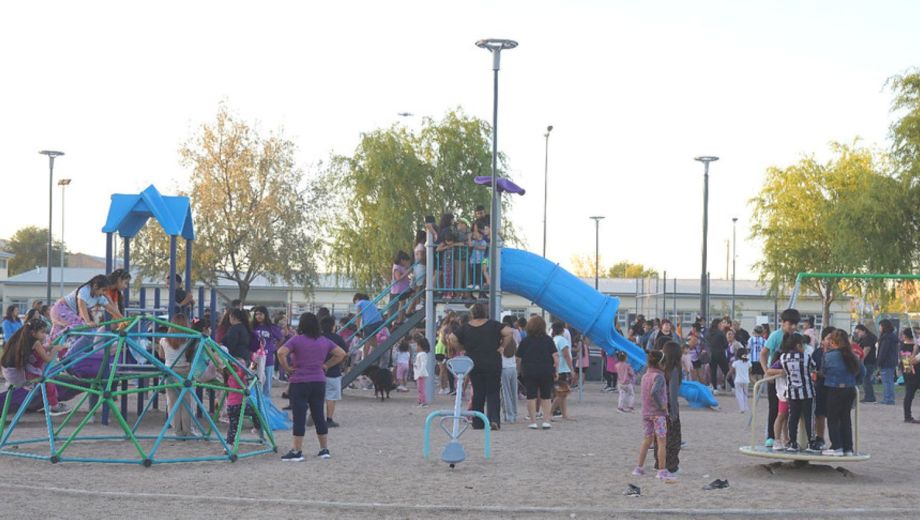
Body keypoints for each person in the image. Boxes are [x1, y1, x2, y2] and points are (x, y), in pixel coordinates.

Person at [275, 312, 346, 461]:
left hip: (300, 381)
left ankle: (297, 451)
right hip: (319, 381)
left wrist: (287, 368)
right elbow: (341, 353)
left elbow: (281, 352)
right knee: (319, 415)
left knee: (299, 416)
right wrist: (326, 365)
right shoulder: (324, 341)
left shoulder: (296, 340)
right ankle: (324, 449)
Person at [449, 303, 513, 430]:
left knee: (478, 392)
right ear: (485, 313)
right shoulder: (494, 325)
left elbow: (451, 337)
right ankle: (493, 420)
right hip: (493, 362)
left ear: (472, 314)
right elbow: (509, 332)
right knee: (493, 392)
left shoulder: (465, 328)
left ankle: (477, 422)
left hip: (474, 363)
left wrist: (461, 349)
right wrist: (502, 347)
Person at [0, 319, 69, 415]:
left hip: (9, 374)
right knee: (48, 381)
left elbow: (42, 349)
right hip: (19, 376)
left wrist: (50, 347)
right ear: (33, 333)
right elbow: (48, 359)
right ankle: (54, 406)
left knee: (43, 370)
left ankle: (49, 402)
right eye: (42, 332)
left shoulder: (22, 339)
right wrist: (55, 349)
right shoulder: (35, 343)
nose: (44, 335)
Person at [822, 330, 866, 456]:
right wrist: (854, 381)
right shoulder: (853, 355)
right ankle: (848, 448)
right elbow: (862, 371)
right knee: (845, 418)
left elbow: (824, 371)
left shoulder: (829, 355)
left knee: (833, 418)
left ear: (832, 342)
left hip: (834, 388)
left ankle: (836, 446)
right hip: (850, 389)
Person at [760, 308, 800, 448]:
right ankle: (771, 436)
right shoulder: (775, 336)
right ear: (783, 323)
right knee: (774, 408)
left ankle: (788, 437)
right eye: (790, 324)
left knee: (789, 410)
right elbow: (763, 353)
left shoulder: (797, 336)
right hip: (775, 375)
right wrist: (766, 371)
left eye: (795, 324)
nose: (793, 327)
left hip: (791, 378)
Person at [632, 350, 674, 480]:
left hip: (646, 413)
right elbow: (654, 392)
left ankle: (639, 467)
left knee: (647, 439)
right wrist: (662, 405)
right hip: (658, 414)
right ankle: (662, 470)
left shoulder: (645, 376)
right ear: (661, 364)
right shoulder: (659, 376)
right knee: (661, 441)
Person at [49, 275, 123, 341]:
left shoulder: (99, 297)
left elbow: (112, 310)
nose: (104, 293)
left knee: (54, 339)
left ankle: (54, 347)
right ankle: (66, 336)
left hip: (68, 313)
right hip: (60, 309)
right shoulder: (84, 291)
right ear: (95, 286)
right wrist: (88, 321)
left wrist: (122, 319)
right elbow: (82, 307)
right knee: (83, 327)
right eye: (103, 290)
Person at [779, 334, 820, 452]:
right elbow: (813, 367)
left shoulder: (783, 357)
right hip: (807, 392)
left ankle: (792, 442)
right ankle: (811, 442)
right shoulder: (806, 357)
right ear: (798, 345)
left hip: (792, 392)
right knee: (809, 418)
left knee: (793, 418)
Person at [515, 315, 558, 430]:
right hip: (546, 370)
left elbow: (518, 358)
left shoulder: (525, 341)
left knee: (531, 396)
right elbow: (555, 356)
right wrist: (556, 370)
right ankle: (546, 420)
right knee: (546, 396)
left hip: (529, 371)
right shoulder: (549, 340)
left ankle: (533, 421)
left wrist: (519, 370)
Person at [156, 313, 195, 437]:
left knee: (173, 403)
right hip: (185, 372)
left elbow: (161, 356)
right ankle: (188, 430)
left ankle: (177, 431)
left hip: (169, 372)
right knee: (186, 403)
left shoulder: (163, 340)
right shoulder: (189, 339)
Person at [319, 315, 348, 428]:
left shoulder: (317, 338)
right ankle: (329, 419)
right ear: (333, 326)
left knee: (317, 396)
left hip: (317, 372)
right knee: (331, 397)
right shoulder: (338, 338)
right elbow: (345, 354)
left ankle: (316, 416)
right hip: (333, 372)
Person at [659, 341, 682, 474]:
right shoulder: (674, 369)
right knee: (673, 438)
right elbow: (673, 393)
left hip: (659, 405)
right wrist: (674, 412)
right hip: (669, 405)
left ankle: (659, 463)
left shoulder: (661, 367)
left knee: (661, 437)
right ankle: (672, 466)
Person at [251, 306, 284, 397]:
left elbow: (281, 338)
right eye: (256, 314)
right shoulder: (252, 327)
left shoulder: (271, 327)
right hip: (254, 361)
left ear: (265, 314)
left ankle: (266, 408)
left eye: (260, 314)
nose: (258, 316)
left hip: (268, 360)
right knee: (255, 384)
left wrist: (274, 349)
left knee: (266, 387)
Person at [812, 326, 835, 448]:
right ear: (822, 340)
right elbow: (814, 370)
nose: (831, 342)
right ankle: (819, 437)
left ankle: (835, 440)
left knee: (834, 415)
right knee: (819, 414)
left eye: (834, 339)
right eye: (829, 339)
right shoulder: (817, 353)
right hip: (821, 386)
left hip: (835, 387)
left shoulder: (839, 353)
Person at [551, 321, 574, 420]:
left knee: (563, 393)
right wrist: (572, 369)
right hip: (563, 369)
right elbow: (566, 355)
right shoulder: (563, 340)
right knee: (562, 393)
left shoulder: (554, 339)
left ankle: (564, 414)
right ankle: (550, 412)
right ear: (563, 329)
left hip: (557, 369)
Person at [876, 319, 899, 406]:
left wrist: (879, 362)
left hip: (886, 362)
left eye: (880, 326)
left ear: (884, 327)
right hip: (891, 361)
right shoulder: (892, 336)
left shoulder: (886, 337)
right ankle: (889, 398)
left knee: (886, 381)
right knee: (889, 381)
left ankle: (888, 398)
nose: (879, 328)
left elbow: (883, 351)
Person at [900, 327, 920, 423]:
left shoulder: (916, 346)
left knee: (909, 395)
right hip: (911, 375)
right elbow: (907, 364)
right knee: (909, 395)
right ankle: (907, 416)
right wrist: (915, 350)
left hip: (914, 374)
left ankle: (908, 416)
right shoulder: (906, 347)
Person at [853, 324, 878, 403]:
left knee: (866, 379)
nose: (858, 334)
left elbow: (866, 349)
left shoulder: (868, 338)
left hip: (868, 361)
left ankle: (870, 397)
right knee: (866, 379)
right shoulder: (864, 338)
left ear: (863, 331)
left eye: (859, 332)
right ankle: (869, 396)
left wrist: (860, 359)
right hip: (868, 361)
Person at [705, 318, 730, 393]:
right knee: (726, 370)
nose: (722, 325)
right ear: (718, 324)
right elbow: (726, 345)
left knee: (713, 371)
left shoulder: (708, 333)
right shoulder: (720, 333)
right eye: (721, 323)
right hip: (720, 353)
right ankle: (732, 386)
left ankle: (714, 388)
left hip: (711, 354)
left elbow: (706, 342)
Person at [729, 347, 751, 413]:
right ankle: (746, 407)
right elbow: (750, 370)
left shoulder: (735, 363)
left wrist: (727, 376)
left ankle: (742, 408)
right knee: (745, 394)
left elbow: (731, 371)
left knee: (739, 395)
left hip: (738, 380)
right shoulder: (748, 363)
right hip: (746, 380)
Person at [413, 335, 431, 406]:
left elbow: (423, 364)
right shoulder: (420, 354)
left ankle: (423, 401)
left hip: (421, 374)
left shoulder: (422, 354)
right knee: (419, 388)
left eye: (417, 345)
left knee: (421, 389)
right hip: (419, 373)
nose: (416, 347)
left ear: (420, 346)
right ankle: (420, 400)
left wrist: (420, 372)